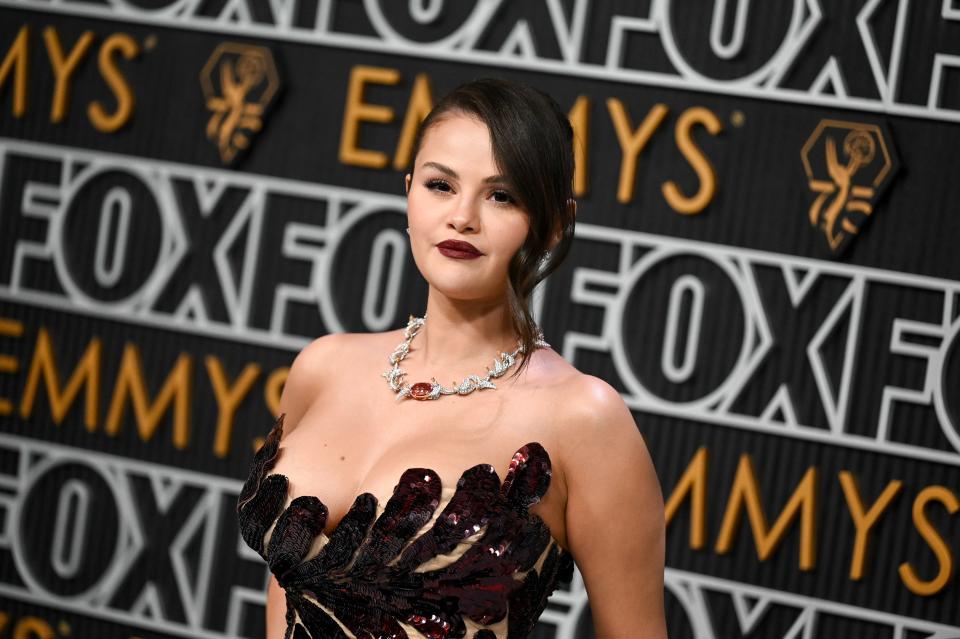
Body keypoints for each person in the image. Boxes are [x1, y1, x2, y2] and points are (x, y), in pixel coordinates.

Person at [237, 78, 667, 638]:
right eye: (441, 185)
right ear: (409, 192)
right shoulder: (323, 367)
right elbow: (287, 588)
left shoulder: (583, 417)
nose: (463, 216)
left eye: (501, 195)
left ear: (554, 224)